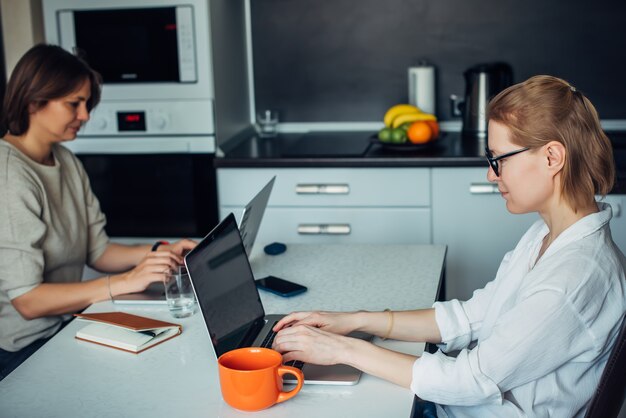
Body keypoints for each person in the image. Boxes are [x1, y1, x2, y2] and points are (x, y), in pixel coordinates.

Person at [272, 75, 626, 417]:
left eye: (498, 159)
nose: (491, 174)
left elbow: (469, 380)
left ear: (552, 157)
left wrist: (341, 350)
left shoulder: (573, 278)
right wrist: (355, 321)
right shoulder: (548, 236)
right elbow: (471, 317)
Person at [0, 44, 196, 380]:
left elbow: (98, 250)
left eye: (87, 104)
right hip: (22, 351)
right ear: (34, 102)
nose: (86, 116)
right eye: (74, 104)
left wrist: (159, 253)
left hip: (65, 327)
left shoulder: (65, 161)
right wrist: (125, 282)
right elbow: (27, 301)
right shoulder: (9, 175)